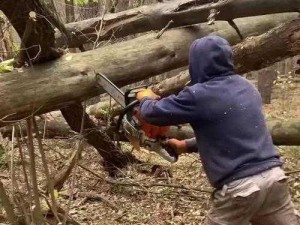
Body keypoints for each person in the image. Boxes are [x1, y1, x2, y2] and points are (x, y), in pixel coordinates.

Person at [135, 35, 300, 225]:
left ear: (196, 64)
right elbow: (232, 132)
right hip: (274, 178)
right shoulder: (246, 87)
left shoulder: (199, 95)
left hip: (241, 187)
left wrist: (145, 97)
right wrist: (186, 145)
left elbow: (153, 113)